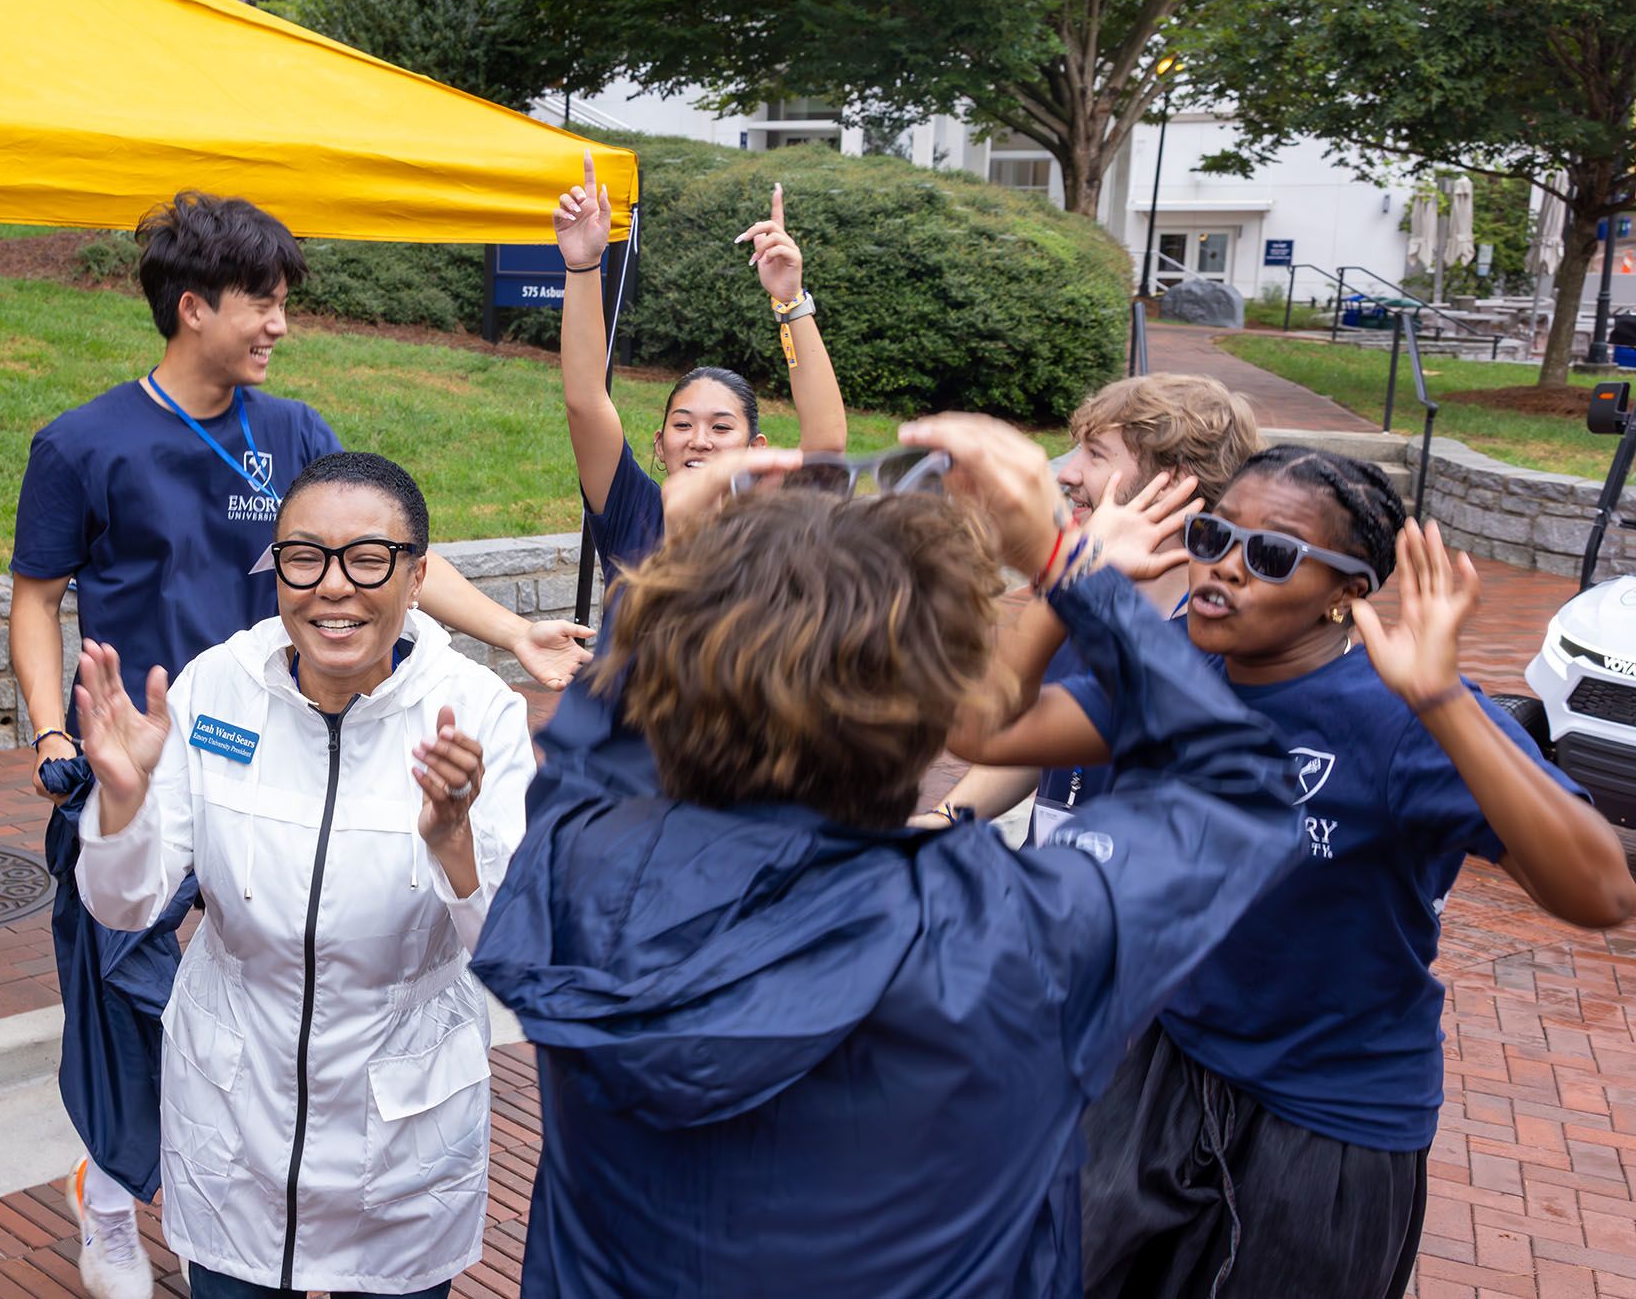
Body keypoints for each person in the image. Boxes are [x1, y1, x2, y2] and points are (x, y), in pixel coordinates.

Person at [470, 415, 1303, 1296]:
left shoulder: (581, 862)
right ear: (944, 708)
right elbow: (1241, 791)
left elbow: (591, 750)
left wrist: (669, 565)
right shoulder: (1014, 934)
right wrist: (1066, 562)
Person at [5, 191, 592, 1298]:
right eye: (261, 302)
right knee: (126, 994)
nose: (280, 323)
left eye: (284, 302)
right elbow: (35, 597)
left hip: (320, 747)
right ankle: (115, 1186)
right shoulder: (84, 444)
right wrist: (57, 738)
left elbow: (384, 547)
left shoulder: (296, 436)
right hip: (159, 754)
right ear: (192, 305)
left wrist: (509, 633)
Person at [954, 445, 1636, 1297]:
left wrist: (1444, 704)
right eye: (1213, 537)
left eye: (1271, 555)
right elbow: (986, 732)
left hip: (1326, 1117)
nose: (1224, 568)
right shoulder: (1179, 669)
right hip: (1165, 1063)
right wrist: (1069, 576)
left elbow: (1601, 890)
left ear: (1345, 592)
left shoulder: (1399, 716)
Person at [72, 451, 533, 1299]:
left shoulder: (478, 712)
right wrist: (125, 804)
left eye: (368, 559)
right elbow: (124, 904)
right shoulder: (218, 690)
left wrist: (453, 842)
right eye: (305, 557)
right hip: (235, 1126)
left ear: (418, 575)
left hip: (402, 1137)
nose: (333, 586)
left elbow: (514, 952)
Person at [928, 374, 1260, 834]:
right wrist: (943, 819)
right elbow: (1036, 736)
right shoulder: (1082, 601)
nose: (1067, 473)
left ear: (1171, 483)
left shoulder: (1221, 649)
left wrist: (1066, 568)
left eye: (1096, 454)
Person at [551, 155, 847, 578]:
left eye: (722, 427)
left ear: (756, 449)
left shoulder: (774, 529)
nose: (699, 441)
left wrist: (790, 300)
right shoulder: (632, 511)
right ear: (659, 444)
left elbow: (826, 445)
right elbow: (585, 402)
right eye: (683, 424)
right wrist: (582, 264)